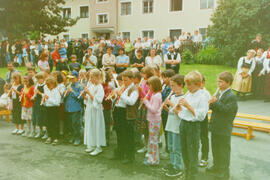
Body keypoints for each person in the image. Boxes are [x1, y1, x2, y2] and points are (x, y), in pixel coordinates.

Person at [177, 71, 209, 180]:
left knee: (192, 153)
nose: (187, 87)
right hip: (184, 124)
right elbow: (183, 112)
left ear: (198, 84)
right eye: (186, 84)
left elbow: (201, 116)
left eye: (190, 84)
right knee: (184, 151)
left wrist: (188, 106)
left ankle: (192, 176)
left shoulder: (202, 96)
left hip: (193, 126)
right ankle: (187, 174)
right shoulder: (188, 94)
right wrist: (178, 108)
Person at [207, 71, 238, 180]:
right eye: (218, 82)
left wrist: (215, 103)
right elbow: (216, 108)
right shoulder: (219, 93)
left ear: (228, 83)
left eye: (221, 82)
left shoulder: (231, 96)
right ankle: (216, 166)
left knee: (223, 150)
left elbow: (227, 111)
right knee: (215, 148)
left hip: (224, 127)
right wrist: (210, 104)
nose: (218, 84)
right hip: (215, 126)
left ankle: (224, 171)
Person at [112, 70, 139, 164]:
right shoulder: (124, 87)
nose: (124, 82)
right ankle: (120, 153)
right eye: (123, 80)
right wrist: (114, 96)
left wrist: (120, 95)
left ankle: (129, 156)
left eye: (126, 80)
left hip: (126, 114)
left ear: (132, 79)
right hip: (118, 112)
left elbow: (131, 102)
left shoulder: (134, 89)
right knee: (119, 134)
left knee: (128, 136)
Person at [162, 74, 184, 177]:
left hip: (177, 127)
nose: (172, 88)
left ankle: (178, 167)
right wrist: (166, 108)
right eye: (171, 85)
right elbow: (171, 111)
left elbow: (180, 113)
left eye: (174, 86)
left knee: (176, 148)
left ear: (181, 85)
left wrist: (171, 104)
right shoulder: (173, 96)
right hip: (170, 125)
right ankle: (172, 163)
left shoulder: (183, 98)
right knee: (170, 146)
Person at [83, 69, 106, 156]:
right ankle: (92, 144)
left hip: (96, 110)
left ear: (97, 77)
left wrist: (88, 92)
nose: (90, 79)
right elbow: (89, 99)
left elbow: (98, 100)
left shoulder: (100, 87)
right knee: (90, 126)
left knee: (96, 127)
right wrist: (84, 95)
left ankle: (98, 147)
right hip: (90, 108)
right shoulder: (92, 86)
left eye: (91, 77)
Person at [143, 76, 162, 166]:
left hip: (154, 120)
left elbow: (154, 109)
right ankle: (151, 158)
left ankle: (155, 160)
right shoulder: (155, 95)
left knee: (153, 141)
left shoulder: (156, 96)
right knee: (151, 140)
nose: (148, 87)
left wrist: (146, 102)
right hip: (152, 120)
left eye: (150, 85)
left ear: (154, 85)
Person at [65, 70, 83, 146]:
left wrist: (72, 91)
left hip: (76, 108)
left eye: (72, 78)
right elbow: (64, 96)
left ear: (77, 78)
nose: (71, 80)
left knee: (76, 124)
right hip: (68, 108)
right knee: (70, 124)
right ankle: (72, 136)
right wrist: (65, 93)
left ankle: (78, 138)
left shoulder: (80, 86)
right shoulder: (69, 85)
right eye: (70, 78)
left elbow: (81, 98)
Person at [160, 69, 175, 154]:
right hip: (164, 112)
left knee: (169, 131)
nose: (163, 80)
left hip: (169, 112)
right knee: (166, 130)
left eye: (164, 78)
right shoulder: (165, 87)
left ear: (170, 78)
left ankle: (169, 150)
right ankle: (167, 148)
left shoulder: (171, 89)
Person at [43, 76, 61, 145]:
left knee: (55, 123)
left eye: (48, 84)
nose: (47, 86)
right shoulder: (46, 89)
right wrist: (44, 100)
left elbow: (57, 103)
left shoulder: (56, 91)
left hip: (54, 109)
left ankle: (56, 137)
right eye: (46, 84)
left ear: (53, 84)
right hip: (48, 108)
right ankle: (50, 136)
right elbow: (46, 100)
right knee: (48, 123)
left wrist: (48, 98)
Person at [199, 75, 211, 167]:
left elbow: (208, 106)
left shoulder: (206, 93)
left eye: (199, 83)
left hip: (203, 118)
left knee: (204, 138)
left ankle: (204, 157)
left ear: (203, 83)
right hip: (195, 118)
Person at [31, 72, 46, 139]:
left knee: (42, 116)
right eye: (37, 79)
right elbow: (35, 94)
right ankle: (40, 130)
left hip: (43, 102)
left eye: (40, 78)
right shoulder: (37, 85)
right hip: (37, 102)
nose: (39, 80)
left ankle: (45, 131)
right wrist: (33, 97)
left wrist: (39, 93)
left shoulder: (45, 86)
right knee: (36, 116)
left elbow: (45, 95)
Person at [102, 70, 113, 145]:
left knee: (106, 124)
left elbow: (107, 98)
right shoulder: (101, 86)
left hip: (106, 108)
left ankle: (106, 139)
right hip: (101, 108)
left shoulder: (108, 87)